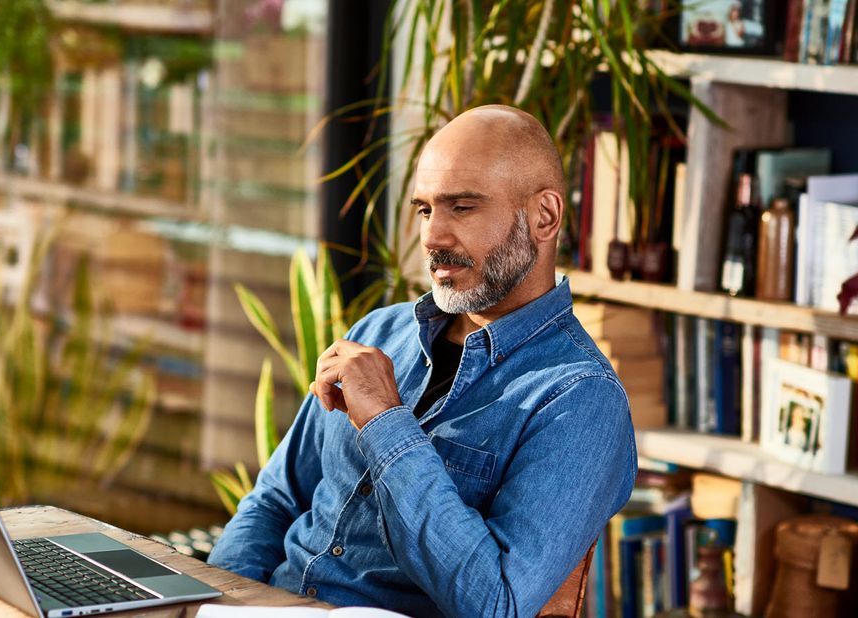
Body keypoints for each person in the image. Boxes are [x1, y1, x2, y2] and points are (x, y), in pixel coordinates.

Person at [208, 104, 637, 617]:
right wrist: (221, 601)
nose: (432, 238)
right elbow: (276, 501)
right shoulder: (378, 332)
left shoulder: (579, 399)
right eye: (425, 210)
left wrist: (387, 422)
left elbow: (496, 603)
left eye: (463, 207)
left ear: (544, 216)